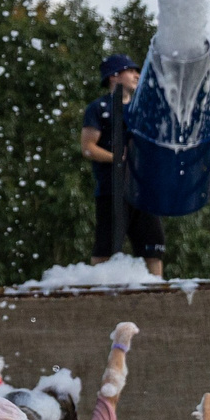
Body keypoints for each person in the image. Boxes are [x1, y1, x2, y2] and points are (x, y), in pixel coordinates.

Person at [79, 53, 164, 276]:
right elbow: (88, 147)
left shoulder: (142, 108)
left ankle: (158, 297)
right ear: (114, 76)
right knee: (105, 248)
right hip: (111, 189)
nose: (137, 75)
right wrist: (119, 159)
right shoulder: (98, 108)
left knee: (153, 248)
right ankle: (96, 296)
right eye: (131, 70)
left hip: (143, 190)